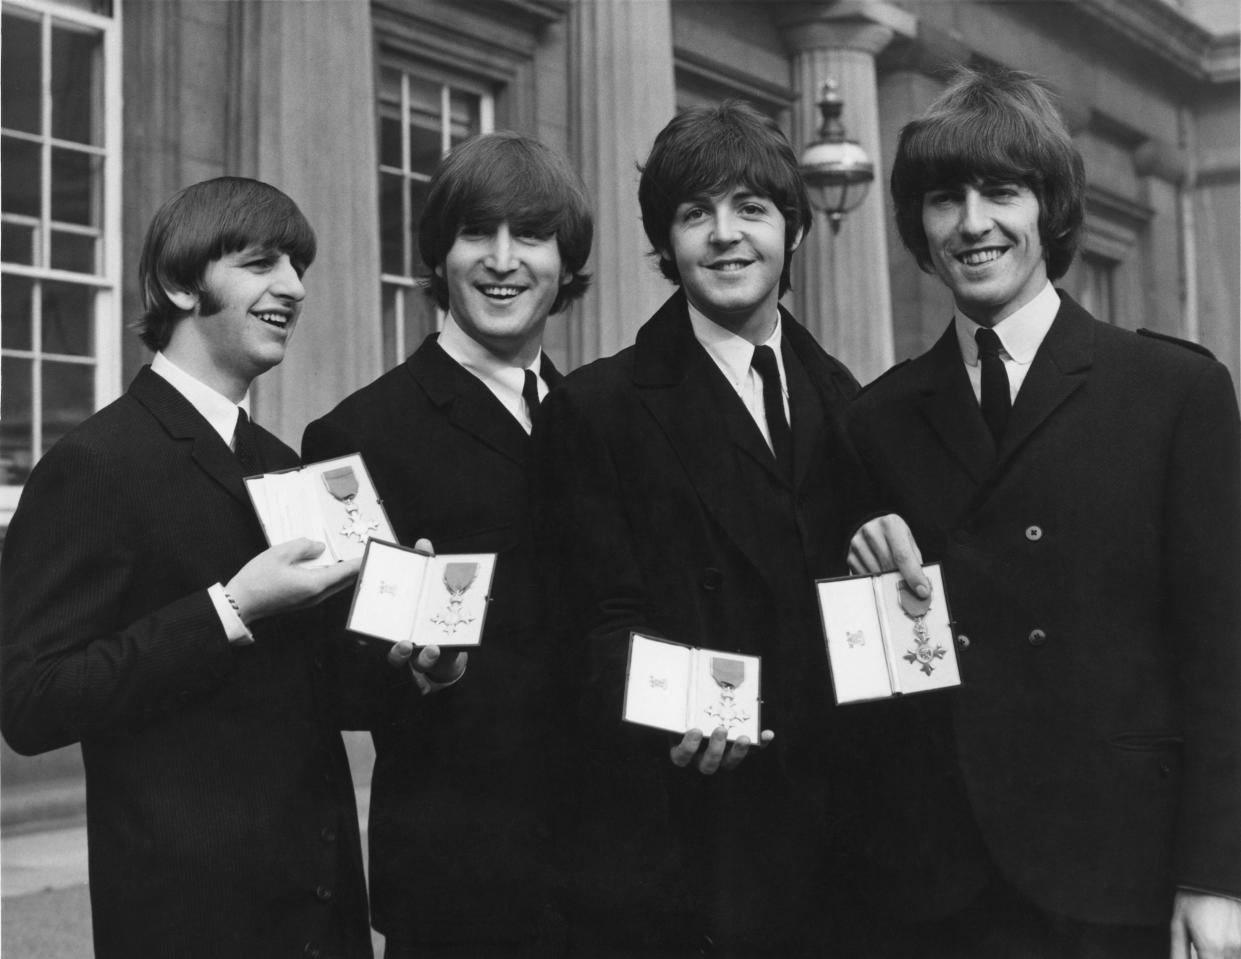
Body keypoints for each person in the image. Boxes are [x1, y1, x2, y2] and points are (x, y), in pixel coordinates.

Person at [1, 177, 461, 959]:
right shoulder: (93, 464)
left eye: (298, 267)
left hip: (320, 914)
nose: (294, 286)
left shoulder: (285, 466)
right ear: (180, 283)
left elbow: (320, 690)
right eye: (261, 263)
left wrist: (416, 655)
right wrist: (230, 607)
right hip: (190, 922)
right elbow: (31, 702)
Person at [847, 66, 1241, 959]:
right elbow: (876, 676)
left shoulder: (1172, 392)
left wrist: (1218, 875)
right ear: (920, 225)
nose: (973, 223)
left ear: (1050, 208)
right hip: (937, 887)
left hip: (1118, 874)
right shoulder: (874, 419)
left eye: (1001, 191)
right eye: (945, 199)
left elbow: (1223, 651)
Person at [533, 101, 919, 958]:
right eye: (694, 212)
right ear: (666, 243)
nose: (724, 235)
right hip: (683, 843)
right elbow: (589, 632)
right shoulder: (596, 410)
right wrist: (678, 716)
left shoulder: (849, 399)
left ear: (792, 229)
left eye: (750, 209)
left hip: (839, 846)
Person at [302, 132, 593, 959]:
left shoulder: (599, 419)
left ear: (565, 262)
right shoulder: (354, 435)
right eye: (477, 233)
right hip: (459, 884)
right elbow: (334, 678)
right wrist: (426, 668)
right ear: (439, 255)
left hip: (607, 872)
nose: (502, 260)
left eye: (530, 236)